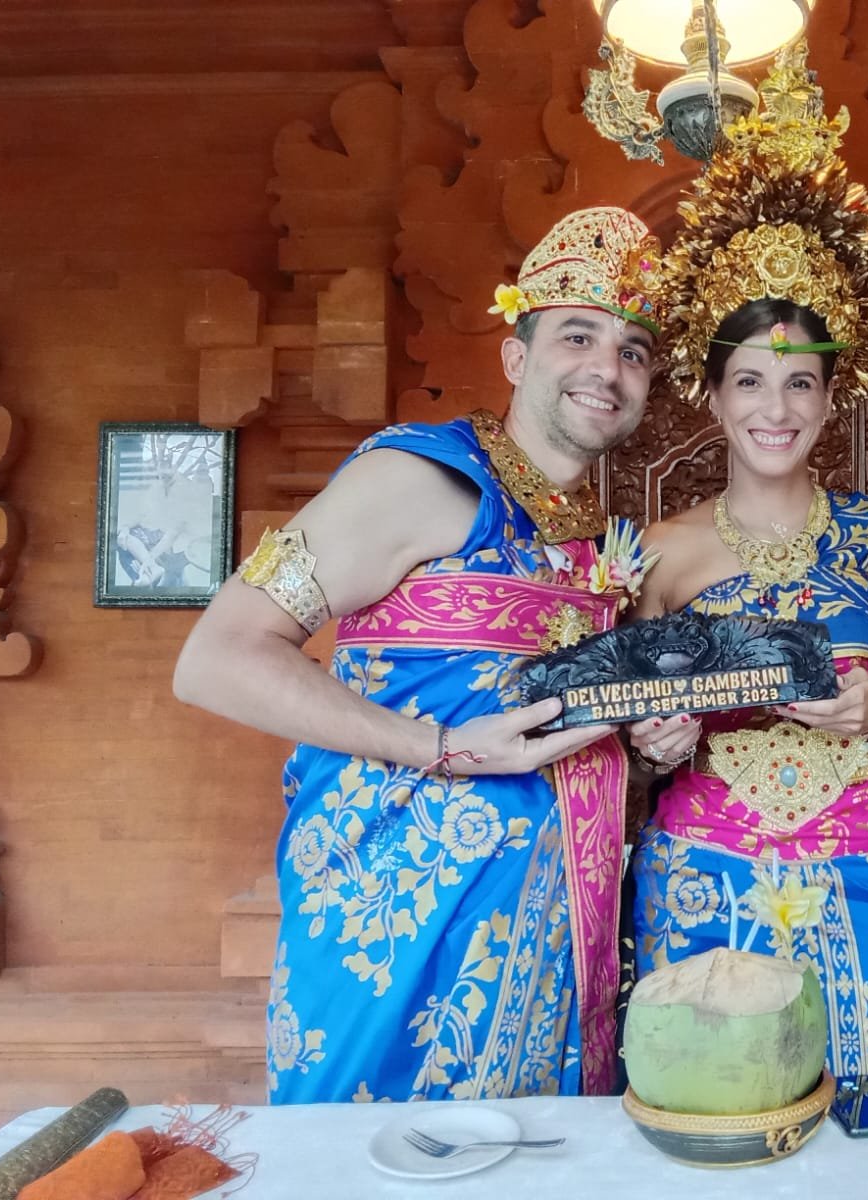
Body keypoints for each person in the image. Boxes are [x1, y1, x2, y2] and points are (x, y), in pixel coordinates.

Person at [174, 206, 663, 1103]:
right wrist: (440, 750)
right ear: (517, 357)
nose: (607, 367)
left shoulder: (594, 539)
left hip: (550, 924)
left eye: (633, 350)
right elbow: (217, 657)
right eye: (579, 335)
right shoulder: (421, 477)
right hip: (395, 914)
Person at [624, 50, 868, 1093]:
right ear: (717, 400)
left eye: (798, 384)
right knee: (709, 1108)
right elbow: (631, 743)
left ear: (831, 401)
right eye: (749, 383)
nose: (773, 409)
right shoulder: (659, 553)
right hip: (701, 872)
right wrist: (654, 743)